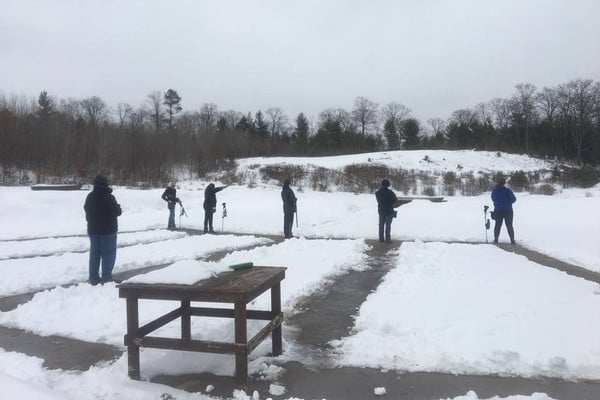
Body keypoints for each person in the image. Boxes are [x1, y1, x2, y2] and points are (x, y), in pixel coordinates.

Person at [84, 175, 122, 285]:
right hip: (108, 231)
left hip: (93, 230)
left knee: (94, 255)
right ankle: (106, 279)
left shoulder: (90, 197)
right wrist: (118, 207)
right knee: (108, 255)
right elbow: (117, 212)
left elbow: (87, 211)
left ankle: (93, 278)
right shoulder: (109, 197)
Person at [491, 176, 517, 244]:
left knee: (497, 225)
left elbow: (493, 199)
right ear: (504, 183)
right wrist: (508, 202)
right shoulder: (507, 190)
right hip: (508, 210)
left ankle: (496, 240)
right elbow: (514, 199)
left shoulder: (494, 191)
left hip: (498, 210)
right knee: (509, 225)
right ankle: (512, 240)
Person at [375, 179, 398, 243]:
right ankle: (388, 240)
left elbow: (380, 201)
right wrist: (390, 203)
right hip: (389, 211)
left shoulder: (378, 193)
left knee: (381, 226)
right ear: (388, 184)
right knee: (388, 226)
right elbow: (395, 200)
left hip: (381, 211)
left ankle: (381, 239)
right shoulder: (390, 192)